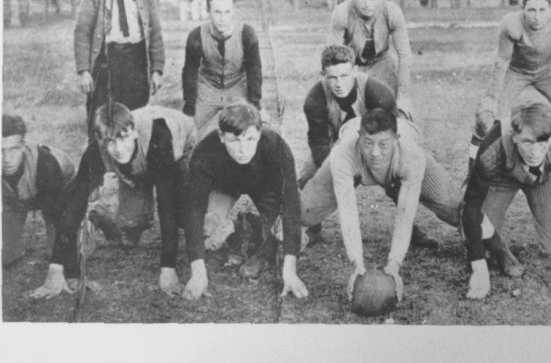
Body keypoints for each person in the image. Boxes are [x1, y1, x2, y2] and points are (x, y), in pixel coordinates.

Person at [29, 102, 206, 300]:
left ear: (134, 132)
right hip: (139, 165)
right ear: (101, 141)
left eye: (122, 138)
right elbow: (74, 205)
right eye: (110, 142)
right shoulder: (96, 152)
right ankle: (100, 217)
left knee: (182, 212)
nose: (119, 148)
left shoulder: (159, 137)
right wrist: (55, 269)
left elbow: (166, 206)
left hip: (178, 151)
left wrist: (168, 268)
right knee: (130, 225)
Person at [300, 109, 462, 302]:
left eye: (383, 145)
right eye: (368, 143)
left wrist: (394, 264)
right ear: (359, 138)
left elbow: (405, 215)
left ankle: (497, 251)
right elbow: (348, 211)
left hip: (402, 161)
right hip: (353, 158)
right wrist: (356, 263)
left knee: (459, 211)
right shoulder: (343, 153)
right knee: (304, 213)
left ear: (396, 139)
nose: (375, 153)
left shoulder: (412, 155)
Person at [301, 45, 436, 248]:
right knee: (309, 175)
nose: (339, 84)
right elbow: (318, 141)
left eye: (345, 75)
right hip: (336, 145)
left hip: (376, 144)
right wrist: (333, 172)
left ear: (355, 70)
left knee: (399, 179)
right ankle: (312, 226)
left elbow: (392, 137)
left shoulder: (378, 93)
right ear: (323, 75)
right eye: (332, 77)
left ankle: (410, 228)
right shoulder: (315, 99)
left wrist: (382, 165)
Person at [461, 103, 551, 300]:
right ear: (514, 136)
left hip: (543, 178)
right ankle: (499, 247)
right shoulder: (494, 145)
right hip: (501, 176)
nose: (535, 151)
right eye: (528, 142)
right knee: (472, 236)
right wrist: (479, 269)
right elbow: (472, 205)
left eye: (542, 142)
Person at [187, 103, 308, 298]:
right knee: (208, 229)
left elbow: (291, 203)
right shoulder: (205, 150)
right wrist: (198, 274)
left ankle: (264, 246)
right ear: (221, 137)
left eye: (250, 139)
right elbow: (194, 208)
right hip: (224, 189)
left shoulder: (275, 145)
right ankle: (237, 231)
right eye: (234, 141)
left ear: (260, 134)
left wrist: (290, 271)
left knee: (294, 237)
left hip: (265, 189)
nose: (243, 149)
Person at [473, 0, 551, 167]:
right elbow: (501, 61)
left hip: (548, 71)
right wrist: (493, 98)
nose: (537, 16)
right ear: (523, 9)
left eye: (542, 10)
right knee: (485, 121)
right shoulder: (512, 24)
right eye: (532, 10)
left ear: (550, 9)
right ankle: (475, 167)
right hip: (516, 71)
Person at [74, 0, 164, 135]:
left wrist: (157, 69)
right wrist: (84, 71)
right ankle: (98, 159)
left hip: (136, 59)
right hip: (107, 59)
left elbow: (154, 31)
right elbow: (82, 31)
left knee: (135, 115)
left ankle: (132, 158)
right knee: (100, 115)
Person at [182, 0, 263, 138]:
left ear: (233, 12)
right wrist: (189, 107)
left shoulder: (247, 34)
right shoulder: (196, 36)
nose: (223, 18)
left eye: (227, 12)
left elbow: (254, 71)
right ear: (207, 11)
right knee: (191, 132)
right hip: (208, 89)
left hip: (237, 87)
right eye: (217, 12)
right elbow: (189, 72)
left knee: (249, 128)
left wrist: (255, 104)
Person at [3, 115, 75, 272]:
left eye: (13, 149)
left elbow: (59, 215)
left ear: (23, 146)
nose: (7, 159)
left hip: (59, 189)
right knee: (6, 255)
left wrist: (56, 270)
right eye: (0, 151)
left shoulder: (45, 164)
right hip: (16, 198)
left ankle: (94, 214)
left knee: (63, 255)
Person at [327, 0, 411, 99]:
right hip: (351, 63)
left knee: (392, 107)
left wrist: (403, 95)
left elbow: (404, 54)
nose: (367, 3)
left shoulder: (392, 12)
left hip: (382, 62)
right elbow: (333, 55)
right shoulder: (342, 12)